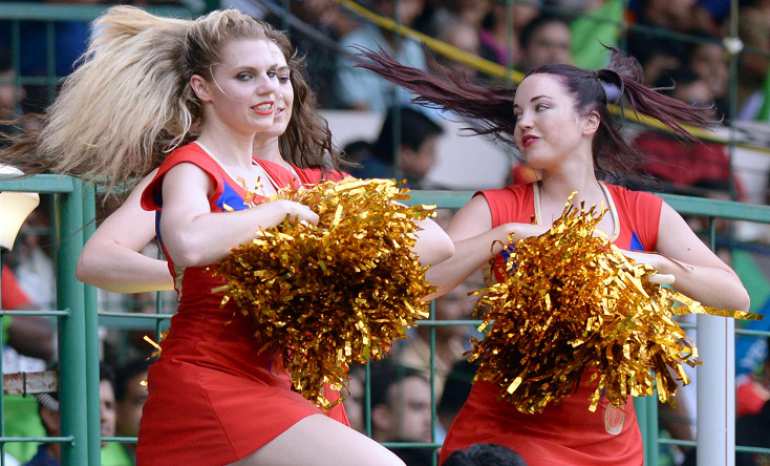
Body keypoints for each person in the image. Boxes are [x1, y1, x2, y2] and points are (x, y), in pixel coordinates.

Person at [2, 7, 453, 466]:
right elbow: (180, 247)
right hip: (217, 378)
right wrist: (230, 255)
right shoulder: (192, 167)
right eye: (246, 76)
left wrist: (331, 267)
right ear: (203, 88)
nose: (270, 89)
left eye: (278, 75)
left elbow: (436, 242)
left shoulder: (302, 183)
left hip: (291, 380)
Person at [356, 48, 750, 465]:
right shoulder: (497, 207)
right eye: (518, 112)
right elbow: (420, 287)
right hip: (509, 434)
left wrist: (660, 266)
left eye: (541, 108)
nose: (524, 122)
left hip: (610, 444)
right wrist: (503, 236)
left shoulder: (643, 211)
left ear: (589, 121)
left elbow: (734, 296)